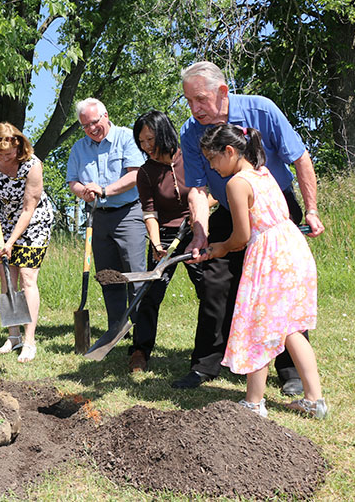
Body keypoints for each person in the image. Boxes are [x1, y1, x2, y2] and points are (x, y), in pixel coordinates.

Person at [176, 61, 325, 392]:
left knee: (280, 291)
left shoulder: (262, 110)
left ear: (223, 92)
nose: (195, 109)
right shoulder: (190, 131)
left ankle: (291, 373)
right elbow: (199, 188)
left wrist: (312, 210)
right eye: (189, 101)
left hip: (276, 210)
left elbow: (300, 158)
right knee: (213, 280)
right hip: (230, 208)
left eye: (200, 99)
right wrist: (201, 233)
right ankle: (207, 364)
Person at [199, 124, 327, 419]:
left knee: (260, 325)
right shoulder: (263, 172)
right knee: (291, 326)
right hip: (293, 249)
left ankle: (254, 402)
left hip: (269, 257)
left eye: (213, 160)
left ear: (229, 152)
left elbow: (242, 237)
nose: (212, 167)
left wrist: (220, 247)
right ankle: (314, 399)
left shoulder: (237, 183)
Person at [129, 110, 205, 372]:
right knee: (151, 291)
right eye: (141, 141)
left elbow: (211, 193)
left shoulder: (191, 157)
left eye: (150, 139)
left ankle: (213, 351)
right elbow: (149, 212)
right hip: (166, 236)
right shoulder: (146, 173)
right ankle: (140, 349)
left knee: (209, 289)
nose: (146, 146)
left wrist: (197, 217)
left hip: (197, 229)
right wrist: (157, 243)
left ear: (164, 133)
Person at [67, 98, 147, 336]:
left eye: (94, 122)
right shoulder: (78, 148)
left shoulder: (127, 137)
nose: (91, 129)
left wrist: (103, 190)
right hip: (98, 217)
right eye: (85, 125)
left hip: (129, 214)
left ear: (105, 115)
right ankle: (117, 328)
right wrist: (83, 192)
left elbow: (136, 175)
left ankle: (140, 328)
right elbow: (73, 181)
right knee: (108, 275)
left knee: (135, 273)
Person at [0, 122, 53, 363]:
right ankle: (13, 337)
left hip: (34, 222)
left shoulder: (32, 165)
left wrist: (11, 242)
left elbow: (28, 207)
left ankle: (29, 341)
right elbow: (0, 192)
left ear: (18, 145)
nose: (4, 157)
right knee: (7, 279)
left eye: (9, 153)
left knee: (27, 277)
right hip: (6, 221)